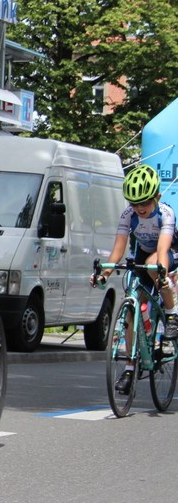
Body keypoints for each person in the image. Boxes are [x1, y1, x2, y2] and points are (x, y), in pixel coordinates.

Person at [90, 164, 178, 394]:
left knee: (153, 265)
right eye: (134, 203)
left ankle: (171, 314)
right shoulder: (128, 215)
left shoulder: (166, 213)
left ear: (157, 197)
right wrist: (105, 273)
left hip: (166, 251)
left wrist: (161, 272)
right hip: (142, 253)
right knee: (132, 308)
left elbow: (162, 247)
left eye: (145, 203)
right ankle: (130, 366)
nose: (139, 208)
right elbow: (119, 246)